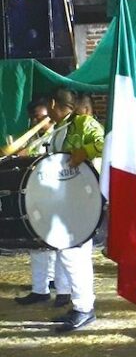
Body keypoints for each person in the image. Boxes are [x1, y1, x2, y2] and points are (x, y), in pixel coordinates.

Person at [46, 88, 104, 332]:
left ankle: (83, 309)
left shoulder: (83, 123)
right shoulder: (59, 127)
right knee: (71, 254)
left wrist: (85, 152)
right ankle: (79, 304)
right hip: (67, 198)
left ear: (52, 103)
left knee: (74, 254)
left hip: (83, 198)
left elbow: (105, 143)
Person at [14, 97, 71, 309]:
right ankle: (40, 289)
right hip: (35, 194)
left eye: (39, 117)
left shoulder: (59, 133)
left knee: (55, 243)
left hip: (55, 196)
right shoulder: (33, 138)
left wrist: (29, 156)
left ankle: (61, 288)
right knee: (36, 244)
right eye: (33, 118)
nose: (35, 122)